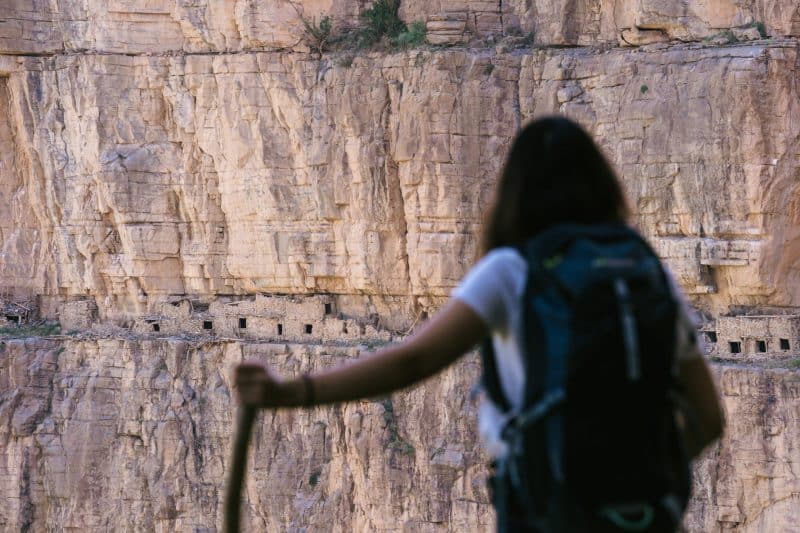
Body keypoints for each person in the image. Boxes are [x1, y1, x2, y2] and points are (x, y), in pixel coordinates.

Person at [235, 116, 725, 531]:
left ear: (514, 192)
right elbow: (709, 419)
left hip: (549, 512)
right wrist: (637, 478)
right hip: (648, 513)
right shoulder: (647, 271)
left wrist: (292, 392)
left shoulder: (514, 271)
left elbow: (415, 358)